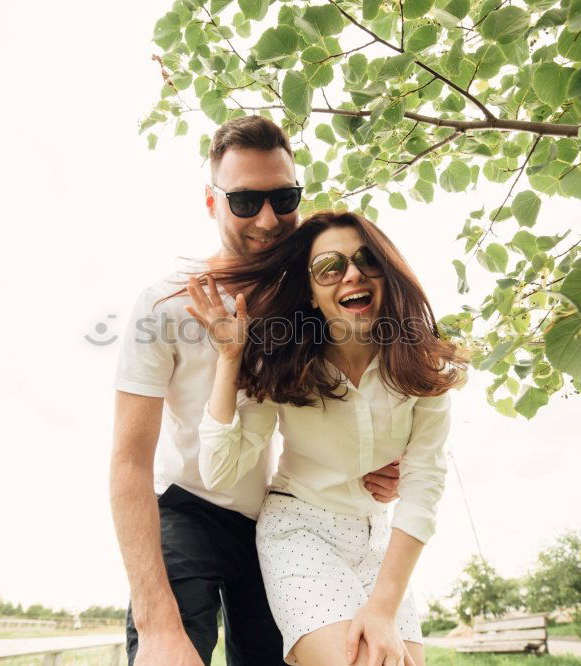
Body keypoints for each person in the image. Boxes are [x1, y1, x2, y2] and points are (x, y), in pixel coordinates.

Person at [110, 116, 403, 666]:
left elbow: (370, 389)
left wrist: (391, 460)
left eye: (283, 197)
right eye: (244, 201)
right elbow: (128, 461)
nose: (268, 219)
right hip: (187, 511)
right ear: (210, 201)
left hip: (281, 518)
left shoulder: (318, 296)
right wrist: (156, 625)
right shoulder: (165, 305)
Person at [184, 210, 469, 666]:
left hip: (380, 543)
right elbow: (219, 469)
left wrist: (382, 608)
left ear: (385, 272)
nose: (351, 273)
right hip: (300, 530)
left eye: (365, 259)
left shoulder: (423, 368)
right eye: (329, 268)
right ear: (313, 294)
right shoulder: (284, 363)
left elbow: (424, 486)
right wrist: (229, 359)